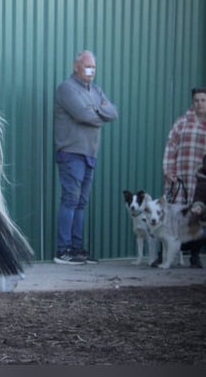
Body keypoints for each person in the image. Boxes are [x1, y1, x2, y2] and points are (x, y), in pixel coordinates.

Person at [53, 50, 118, 265]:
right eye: (87, 66)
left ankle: (77, 248)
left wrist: (95, 109)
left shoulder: (96, 90)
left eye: (94, 67)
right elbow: (83, 114)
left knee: (82, 202)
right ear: (76, 67)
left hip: (90, 153)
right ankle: (64, 249)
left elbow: (114, 113)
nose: (91, 70)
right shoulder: (67, 88)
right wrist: (100, 112)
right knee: (70, 200)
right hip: (71, 152)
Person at [159, 86, 206, 268]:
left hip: (203, 181)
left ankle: (195, 256)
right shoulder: (182, 123)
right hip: (181, 177)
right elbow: (170, 147)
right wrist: (168, 170)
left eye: (203, 100)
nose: (199, 104)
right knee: (172, 217)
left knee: (197, 218)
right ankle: (163, 255)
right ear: (192, 102)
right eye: (196, 100)